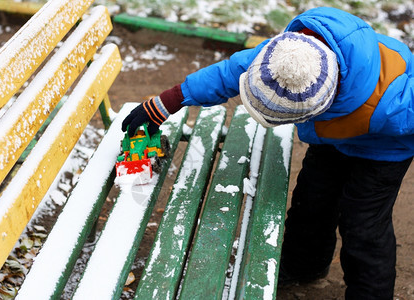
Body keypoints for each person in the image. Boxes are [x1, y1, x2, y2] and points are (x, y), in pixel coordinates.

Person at [121, 6, 413, 299]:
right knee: (311, 203)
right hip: (331, 138)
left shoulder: (398, 103)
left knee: (363, 226)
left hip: (383, 151)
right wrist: (164, 103)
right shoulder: (287, 56)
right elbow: (230, 72)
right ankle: (304, 267)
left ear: (322, 106)